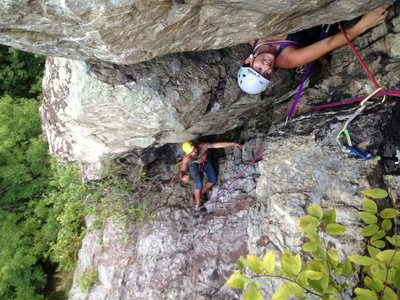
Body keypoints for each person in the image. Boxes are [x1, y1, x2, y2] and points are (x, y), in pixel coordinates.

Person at [237, 4, 390, 94]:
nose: (266, 67)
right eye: (266, 74)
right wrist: (365, 24)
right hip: (325, 23)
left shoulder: (253, 36)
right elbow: (330, 43)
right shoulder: (288, 58)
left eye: (257, 69)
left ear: (248, 60)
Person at [179, 141, 242, 210]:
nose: (195, 151)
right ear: (188, 153)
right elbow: (182, 170)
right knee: (199, 184)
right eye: (191, 152)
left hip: (205, 160)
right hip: (193, 164)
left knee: (213, 179)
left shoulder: (202, 145)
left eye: (194, 148)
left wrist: (233, 143)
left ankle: (199, 194)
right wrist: (183, 177)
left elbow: (217, 144)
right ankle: (198, 203)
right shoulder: (187, 158)